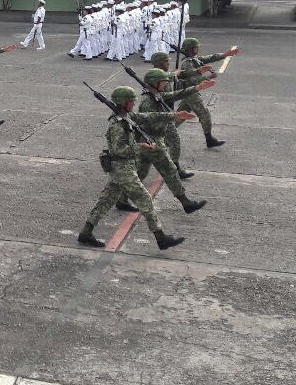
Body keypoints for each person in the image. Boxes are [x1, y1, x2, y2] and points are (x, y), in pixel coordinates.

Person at [78, 86, 188, 250]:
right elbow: (118, 150)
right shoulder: (117, 125)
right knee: (145, 200)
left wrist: (174, 115)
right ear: (123, 102)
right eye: (131, 101)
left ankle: (86, 232)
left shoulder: (127, 116)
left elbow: (147, 116)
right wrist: (141, 147)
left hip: (122, 169)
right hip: (123, 169)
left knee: (106, 201)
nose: (134, 103)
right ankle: (161, 238)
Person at [115, 67, 210, 214]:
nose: (166, 84)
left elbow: (175, 94)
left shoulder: (157, 95)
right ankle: (186, 203)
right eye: (163, 82)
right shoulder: (148, 102)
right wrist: (173, 116)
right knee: (170, 171)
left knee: (141, 171)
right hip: (151, 140)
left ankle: (122, 200)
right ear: (154, 83)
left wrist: (197, 87)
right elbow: (150, 117)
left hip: (153, 139)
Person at [176, 37, 239, 148]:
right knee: (204, 114)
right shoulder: (187, 63)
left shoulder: (194, 59)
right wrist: (207, 77)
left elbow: (210, 57)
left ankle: (162, 132)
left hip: (191, 91)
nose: (198, 49)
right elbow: (191, 80)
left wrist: (226, 54)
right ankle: (209, 139)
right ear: (190, 49)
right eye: (196, 47)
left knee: (181, 115)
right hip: (191, 92)